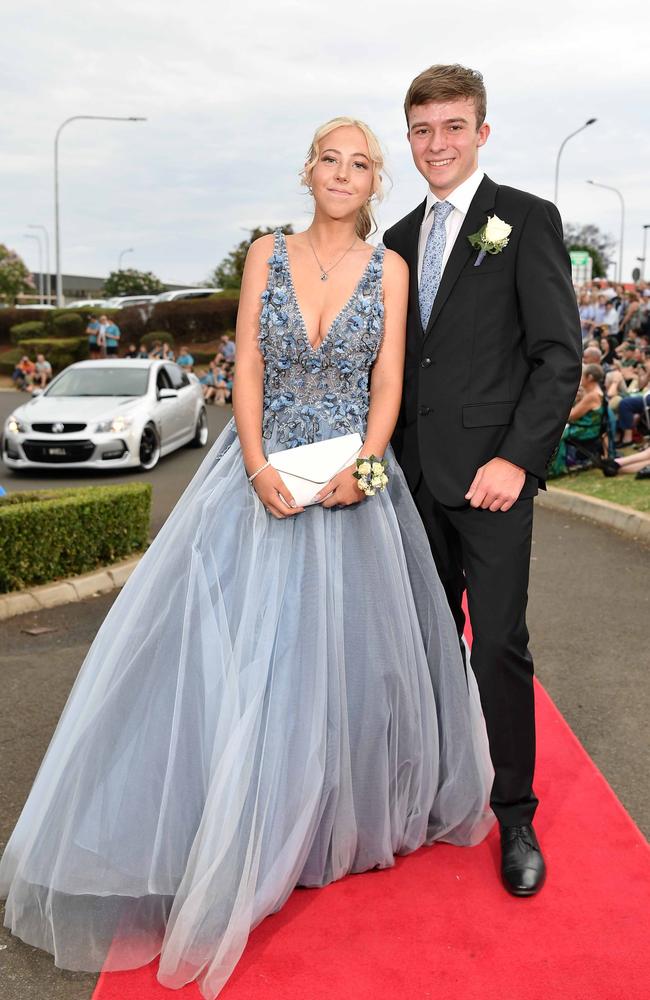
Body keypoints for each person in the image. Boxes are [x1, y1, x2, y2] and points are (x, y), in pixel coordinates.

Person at [0, 118, 494, 1000]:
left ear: (375, 181)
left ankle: (317, 829)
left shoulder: (392, 270)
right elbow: (252, 372)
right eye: (329, 158)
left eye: (360, 163)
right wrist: (260, 465)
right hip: (257, 479)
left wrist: (367, 466)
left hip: (349, 484)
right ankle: (237, 825)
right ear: (308, 170)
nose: (342, 173)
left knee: (339, 669)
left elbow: (388, 385)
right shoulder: (267, 255)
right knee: (237, 659)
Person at [383, 64, 582, 898]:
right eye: (424, 129)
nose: (438, 143)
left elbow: (557, 356)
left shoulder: (526, 220)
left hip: (494, 480)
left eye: (454, 127)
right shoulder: (393, 240)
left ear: (482, 133)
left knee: (497, 644)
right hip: (407, 480)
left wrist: (517, 459)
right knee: (419, 644)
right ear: (410, 137)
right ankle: (432, 789)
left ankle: (516, 811)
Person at [547, 364, 606, 476]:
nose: (581, 379)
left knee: (554, 433)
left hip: (585, 431)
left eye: (583, 376)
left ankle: (554, 469)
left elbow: (572, 416)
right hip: (590, 428)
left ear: (590, 377)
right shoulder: (598, 392)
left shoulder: (592, 396)